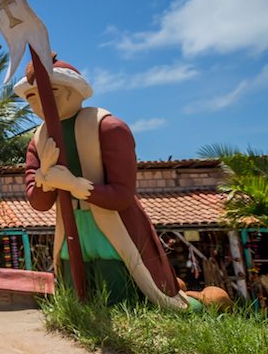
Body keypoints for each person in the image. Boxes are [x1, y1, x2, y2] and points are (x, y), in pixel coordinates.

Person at [20, 57, 199, 310]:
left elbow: (122, 195)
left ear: (75, 91)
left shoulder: (108, 127)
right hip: (70, 225)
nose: (42, 102)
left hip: (113, 226)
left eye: (52, 92)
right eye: (32, 98)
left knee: (116, 284)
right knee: (73, 286)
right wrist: (45, 174)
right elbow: (38, 202)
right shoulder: (39, 140)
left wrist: (74, 184)